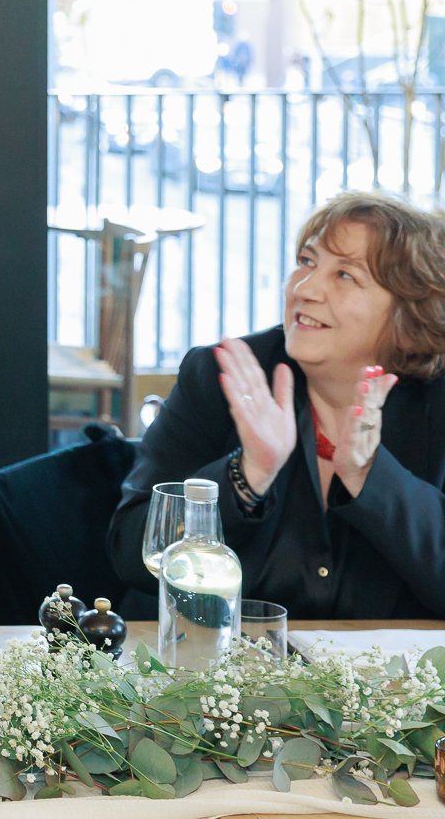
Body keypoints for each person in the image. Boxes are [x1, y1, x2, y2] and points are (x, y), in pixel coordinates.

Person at [108, 191, 445, 620]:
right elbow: (130, 554)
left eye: (345, 275)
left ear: (408, 322)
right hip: (211, 674)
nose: (305, 289)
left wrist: (370, 478)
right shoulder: (221, 376)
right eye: (306, 261)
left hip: (391, 682)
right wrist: (247, 476)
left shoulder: (436, 401)